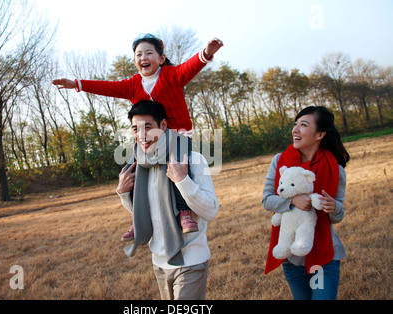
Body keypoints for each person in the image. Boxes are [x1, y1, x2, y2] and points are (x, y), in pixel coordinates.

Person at [53, 33, 223, 240]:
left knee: (178, 169)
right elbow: (108, 87)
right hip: (148, 140)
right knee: (131, 171)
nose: (143, 57)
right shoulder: (132, 84)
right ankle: (139, 218)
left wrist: (206, 53)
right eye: (138, 54)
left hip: (177, 135)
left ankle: (184, 213)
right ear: (135, 60)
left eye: (149, 53)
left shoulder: (171, 75)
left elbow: (189, 67)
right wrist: (77, 84)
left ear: (160, 58)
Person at [117, 100, 219, 300]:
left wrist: (182, 180)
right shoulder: (140, 167)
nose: (142, 136)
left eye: (148, 127)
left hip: (190, 261)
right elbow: (145, 213)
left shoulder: (192, 159)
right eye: (135, 129)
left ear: (163, 126)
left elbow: (211, 211)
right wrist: (123, 192)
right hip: (159, 264)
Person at [262, 106, 350, 300]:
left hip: (325, 256)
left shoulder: (335, 168)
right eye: (295, 124)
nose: (295, 130)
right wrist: (293, 201)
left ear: (319, 134)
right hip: (292, 259)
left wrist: (334, 208)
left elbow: (339, 214)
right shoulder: (279, 161)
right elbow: (266, 200)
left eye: (303, 125)